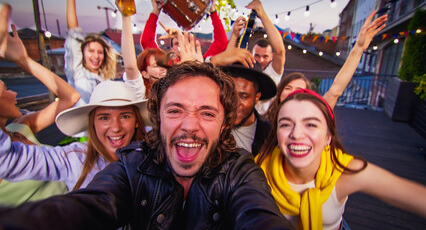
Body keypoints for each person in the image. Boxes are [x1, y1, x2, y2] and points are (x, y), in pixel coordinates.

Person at [0, 62, 292, 230]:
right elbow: (92, 203)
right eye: (175, 110)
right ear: (158, 121)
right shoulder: (131, 164)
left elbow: (259, 215)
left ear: (224, 124)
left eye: (206, 113)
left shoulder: (240, 170)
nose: (190, 125)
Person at [256, 88, 426, 229]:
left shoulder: (346, 171)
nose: (297, 134)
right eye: (285, 124)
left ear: (328, 136)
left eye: (311, 124)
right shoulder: (256, 172)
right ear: (277, 133)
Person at [0, 80, 149, 191]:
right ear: (93, 124)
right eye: (104, 118)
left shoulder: (154, 156)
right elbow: (7, 160)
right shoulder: (74, 159)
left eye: (125, 116)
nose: (116, 127)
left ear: (136, 121)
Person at [0, 7, 80, 205]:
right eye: (5, 90)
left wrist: (23, 60)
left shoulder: (20, 127)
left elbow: (70, 97)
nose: (14, 93)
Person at [265, 10, 388, 122]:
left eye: (298, 90)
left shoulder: (314, 115)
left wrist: (358, 49)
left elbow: (335, 90)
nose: (291, 93)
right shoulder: (267, 118)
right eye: (288, 88)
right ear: (279, 93)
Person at [65, 0, 116, 107]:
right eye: (91, 51)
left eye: (100, 52)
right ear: (82, 53)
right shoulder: (78, 72)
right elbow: (73, 33)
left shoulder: (105, 79)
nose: (96, 56)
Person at [141, 0, 228, 62]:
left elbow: (222, 42)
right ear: (172, 49)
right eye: (177, 43)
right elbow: (146, 42)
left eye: (186, 42)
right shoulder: (166, 66)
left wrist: (212, 11)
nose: (181, 46)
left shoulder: (200, 63)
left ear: (192, 46)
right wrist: (155, 11)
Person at [221, 62, 276, 156]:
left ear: (257, 97)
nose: (235, 103)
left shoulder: (270, 134)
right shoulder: (213, 125)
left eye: (243, 96)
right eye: (230, 94)